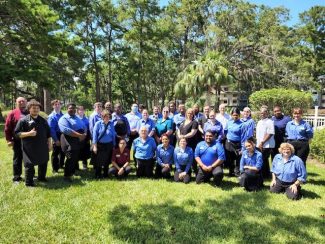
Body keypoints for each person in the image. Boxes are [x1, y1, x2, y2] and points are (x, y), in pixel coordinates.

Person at [14, 100, 51, 187]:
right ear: (29, 109)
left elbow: (48, 134)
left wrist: (49, 144)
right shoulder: (23, 120)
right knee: (29, 165)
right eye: (33, 108)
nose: (36, 110)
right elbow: (16, 134)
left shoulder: (43, 120)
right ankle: (29, 183)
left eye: (37, 108)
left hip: (42, 146)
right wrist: (29, 133)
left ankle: (42, 178)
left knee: (43, 161)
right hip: (29, 148)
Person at [58, 103, 87, 182]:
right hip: (68, 139)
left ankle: (72, 172)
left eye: (74, 108)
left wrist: (84, 133)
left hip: (77, 140)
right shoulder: (63, 119)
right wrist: (79, 135)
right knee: (70, 157)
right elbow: (66, 130)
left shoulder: (77, 117)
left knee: (75, 157)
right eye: (70, 108)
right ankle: (66, 176)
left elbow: (84, 126)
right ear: (67, 109)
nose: (72, 110)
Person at [4, 97, 29, 183]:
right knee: (17, 159)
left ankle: (29, 175)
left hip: (29, 140)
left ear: (26, 102)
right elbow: (7, 128)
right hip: (17, 140)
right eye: (19, 101)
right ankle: (17, 177)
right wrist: (8, 140)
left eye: (23, 101)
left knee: (29, 159)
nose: (22, 102)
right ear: (16, 103)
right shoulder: (12, 113)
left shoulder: (30, 112)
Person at [92, 110, 116, 179]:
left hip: (109, 145)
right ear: (102, 117)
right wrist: (95, 147)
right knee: (99, 161)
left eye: (108, 116)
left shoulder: (111, 124)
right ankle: (98, 174)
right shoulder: (98, 124)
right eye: (105, 116)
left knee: (107, 160)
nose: (107, 118)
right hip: (100, 145)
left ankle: (106, 174)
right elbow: (94, 136)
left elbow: (113, 135)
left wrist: (114, 145)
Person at [225, 108, 245, 176]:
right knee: (230, 158)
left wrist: (242, 146)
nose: (235, 116)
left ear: (239, 115)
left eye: (236, 115)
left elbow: (243, 136)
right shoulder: (229, 122)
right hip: (229, 143)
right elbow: (225, 131)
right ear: (231, 115)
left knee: (238, 157)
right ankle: (231, 172)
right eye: (233, 115)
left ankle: (237, 172)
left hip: (238, 143)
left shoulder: (242, 124)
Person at [256, 107, 275, 179]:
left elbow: (270, 133)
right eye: (261, 113)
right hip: (259, 144)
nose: (262, 114)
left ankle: (265, 175)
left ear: (267, 113)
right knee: (263, 159)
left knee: (263, 159)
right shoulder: (259, 122)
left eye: (264, 112)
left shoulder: (270, 122)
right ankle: (266, 174)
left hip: (266, 144)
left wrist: (262, 142)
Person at [47, 99, 65, 173]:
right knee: (55, 153)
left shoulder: (63, 115)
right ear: (53, 106)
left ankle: (61, 165)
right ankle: (55, 169)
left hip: (63, 135)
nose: (57, 106)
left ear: (61, 105)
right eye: (55, 104)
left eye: (59, 104)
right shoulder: (51, 116)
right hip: (56, 135)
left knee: (63, 151)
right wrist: (56, 140)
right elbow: (51, 129)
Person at [88, 102, 103, 168]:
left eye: (100, 106)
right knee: (95, 150)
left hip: (101, 137)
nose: (99, 107)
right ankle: (95, 165)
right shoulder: (93, 116)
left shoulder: (101, 115)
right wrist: (94, 139)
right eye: (97, 106)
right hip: (96, 137)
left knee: (99, 151)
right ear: (94, 107)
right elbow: (91, 128)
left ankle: (99, 164)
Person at [76, 105, 91, 170]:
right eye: (80, 110)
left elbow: (89, 129)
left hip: (86, 138)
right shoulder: (76, 118)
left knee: (85, 152)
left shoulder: (87, 119)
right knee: (77, 152)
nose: (81, 111)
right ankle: (76, 166)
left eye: (82, 110)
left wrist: (88, 138)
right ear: (77, 111)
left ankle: (85, 165)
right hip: (77, 137)